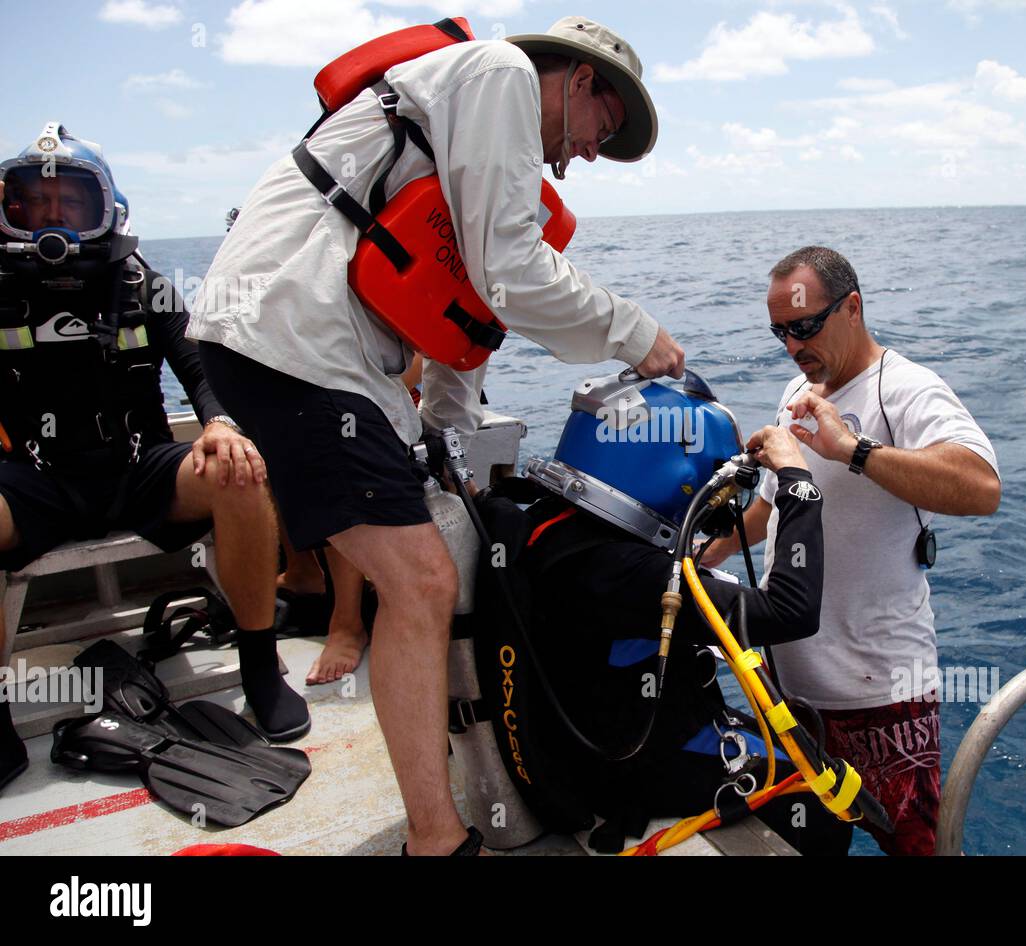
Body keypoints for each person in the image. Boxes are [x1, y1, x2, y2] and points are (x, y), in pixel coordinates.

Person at [186, 18, 685, 855]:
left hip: (325, 357)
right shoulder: (500, 74)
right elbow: (511, 270)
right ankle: (436, 838)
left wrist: (443, 437)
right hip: (289, 335)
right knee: (420, 582)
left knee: (422, 571)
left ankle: (435, 822)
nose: (592, 153)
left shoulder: (475, 136)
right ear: (578, 81)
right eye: (605, 129)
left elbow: (468, 322)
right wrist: (636, 333)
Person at [0, 124, 308, 796]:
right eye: (36, 202)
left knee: (242, 471)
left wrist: (222, 423)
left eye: (70, 203)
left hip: (137, 468)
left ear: (104, 208)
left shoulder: (143, 283)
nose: (54, 218)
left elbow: (201, 368)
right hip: (37, 481)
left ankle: (260, 664)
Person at [471, 372, 852, 854]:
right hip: (631, 768)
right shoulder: (627, 571)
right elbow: (789, 611)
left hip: (587, 741)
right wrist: (797, 483)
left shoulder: (545, 520)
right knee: (825, 798)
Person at [702, 245, 1001, 855]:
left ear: (853, 307)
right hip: (790, 697)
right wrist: (707, 551)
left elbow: (981, 487)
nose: (793, 346)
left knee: (916, 847)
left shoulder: (906, 389)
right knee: (809, 843)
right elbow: (770, 510)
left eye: (806, 326)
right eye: (781, 331)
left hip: (881, 696)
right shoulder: (797, 388)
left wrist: (852, 450)